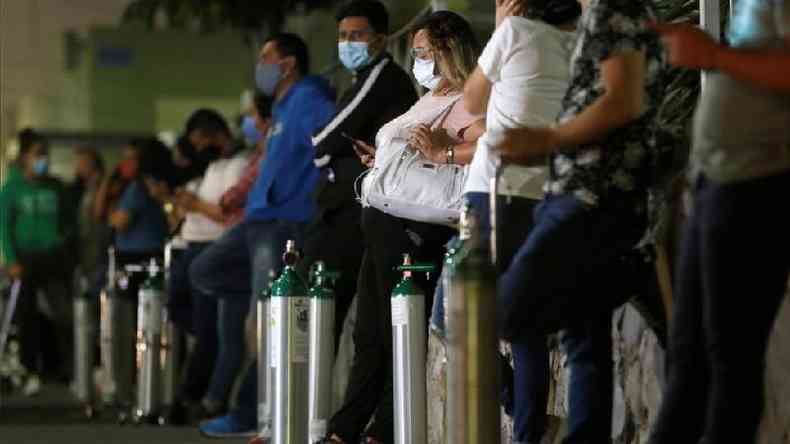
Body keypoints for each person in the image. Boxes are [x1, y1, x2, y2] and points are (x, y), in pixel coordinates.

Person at [492, 0, 666, 442]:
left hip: (591, 195)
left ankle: (634, 274)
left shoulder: (613, 7)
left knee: (503, 310)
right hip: (586, 194)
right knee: (583, 343)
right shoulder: (600, 13)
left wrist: (545, 139)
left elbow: (621, 100)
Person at [320, 11, 485, 444]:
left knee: (399, 330)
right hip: (384, 221)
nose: (419, 62)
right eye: (416, 54)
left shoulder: (471, 94)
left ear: (449, 49)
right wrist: (384, 159)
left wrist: (445, 152)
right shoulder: (433, 93)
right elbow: (413, 148)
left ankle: (382, 430)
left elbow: (490, 143)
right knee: (370, 333)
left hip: (415, 229)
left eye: (424, 53)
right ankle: (349, 429)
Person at [648, 2, 790, 443]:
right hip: (715, 181)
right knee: (690, 354)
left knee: (730, 357)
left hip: (759, 187)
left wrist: (712, 55)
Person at [192, 33, 336, 438]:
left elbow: (329, 141)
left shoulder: (308, 99)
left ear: (288, 64)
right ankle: (256, 298)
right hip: (258, 221)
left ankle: (253, 414)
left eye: (266, 58)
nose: (261, 66)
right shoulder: (283, 107)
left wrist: (308, 194)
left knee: (270, 321)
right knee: (206, 271)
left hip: (284, 221)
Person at [452, 0, 580, 441]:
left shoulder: (515, 33)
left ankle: (515, 407)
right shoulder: (579, 46)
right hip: (543, 192)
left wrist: (501, 28)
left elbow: (471, 100)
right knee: (526, 325)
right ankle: (529, 431)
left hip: (493, 189)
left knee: (453, 315)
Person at [304, 0, 418, 352]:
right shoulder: (362, 79)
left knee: (324, 314)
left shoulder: (382, 76)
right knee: (321, 315)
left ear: (381, 39)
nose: (348, 43)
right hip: (342, 210)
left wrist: (326, 156)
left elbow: (324, 140)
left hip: (355, 212)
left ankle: (315, 403)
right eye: (343, 36)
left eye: (357, 35)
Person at [165, 109, 251, 424]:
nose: (198, 148)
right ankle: (202, 396)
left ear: (214, 133)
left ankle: (204, 398)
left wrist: (194, 204)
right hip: (197, 248)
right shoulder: (214, 166)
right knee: (200, 326)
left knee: (217, 333)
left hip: (219, 251)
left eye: (201, 140)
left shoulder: (241, 165)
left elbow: (229, 215)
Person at [0, 129, 76, 395]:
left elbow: (70, 221)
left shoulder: (56, 188)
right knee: (27, 317)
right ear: (23, 157)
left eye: (45, 154)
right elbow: (4, 228)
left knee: (64, 314)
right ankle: (30, 370)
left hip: (53, 257)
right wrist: (11, 260)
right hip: (25, 258)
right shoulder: (11, 189)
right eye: (37, 154)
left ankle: (68, 370)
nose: (43, 159)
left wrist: (62, 242)